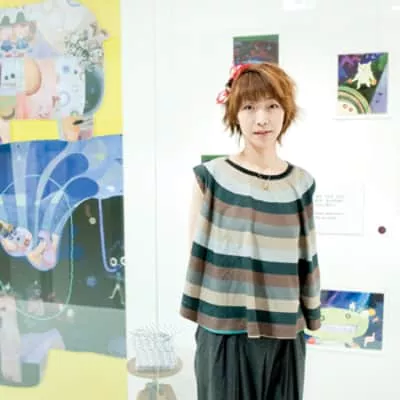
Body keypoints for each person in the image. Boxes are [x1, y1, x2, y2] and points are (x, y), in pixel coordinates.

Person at [179, 62, 321, 400]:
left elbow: (307, 255)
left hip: (284, 332)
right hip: (224, 329)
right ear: (234, 113)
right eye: (249, 107)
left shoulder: (301, 183)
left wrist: (311, 314)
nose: (262, 119)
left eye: (272, 106)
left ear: (286, 111)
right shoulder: (211, 178)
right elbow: (196, 255)